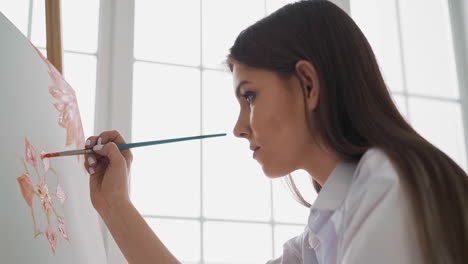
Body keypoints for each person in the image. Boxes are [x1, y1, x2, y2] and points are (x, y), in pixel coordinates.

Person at [83, 0, 468, 263]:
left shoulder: (390, 186)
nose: (238, 128)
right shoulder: (326, 226)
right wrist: (113, 203)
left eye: (249, 96)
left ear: (308, 84)